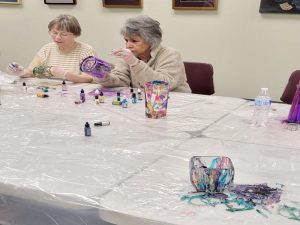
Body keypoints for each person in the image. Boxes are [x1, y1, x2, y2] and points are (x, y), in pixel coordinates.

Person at [96, 15, 191, 93]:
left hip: (175, 103)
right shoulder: (129, 55)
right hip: (143, 103)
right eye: (126, 40)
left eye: (134, 41)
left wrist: (135, 63)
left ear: (151, 41)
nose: (128, 45)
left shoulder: (171, 54)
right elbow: (121, 81)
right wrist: (102, 75)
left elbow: (162, 85)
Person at [7, 14, 96, 83]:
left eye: (64, 34)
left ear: (75, 35)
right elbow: (32, 71)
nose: (57, 37)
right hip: (49, 92)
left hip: (75, 94)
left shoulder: (86, 51)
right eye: (54, 33)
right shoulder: (47, 49)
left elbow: (89, 78)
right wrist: (21, 72)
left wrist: (66, 75)